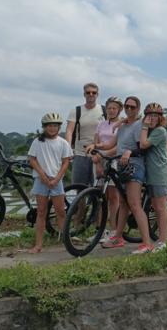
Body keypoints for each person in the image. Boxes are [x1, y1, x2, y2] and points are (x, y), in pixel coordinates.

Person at [99, 96, 153, 254]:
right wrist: (95, 147)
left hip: (134, 165)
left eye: (132, 107)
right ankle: (118, 237)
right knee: (123, 203)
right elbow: (111, 145)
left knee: (135, 204)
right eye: (127, 107)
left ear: (138, 109)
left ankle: (147, 244)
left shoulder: (139, 125)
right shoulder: (123, 125)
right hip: (121, 165)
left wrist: (130, 152)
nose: (129, 109)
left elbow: (142, 148)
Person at [27, 113, 72, 253]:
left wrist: (57, 178)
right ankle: (38, 245)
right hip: (41, 180)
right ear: (44, 127)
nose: (52, 128)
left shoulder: (63, 142)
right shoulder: (37, 142)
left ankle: (66, 241)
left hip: (56, 181)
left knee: (60, 211)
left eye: (55, 126)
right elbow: (32, 159)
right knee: (41, 212)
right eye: (49, 126)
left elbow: (66, 162)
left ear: (59, 127)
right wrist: (43, 176)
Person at [85, 96, 123, 243]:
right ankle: (100, 230)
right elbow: (96, 143)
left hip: (114, 161)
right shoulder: (100, 124)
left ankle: (114, 230)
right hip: (99, 160)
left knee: (114, 198)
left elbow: (118, 145)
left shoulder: (121, 125)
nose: (111, 111)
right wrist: (98, 161)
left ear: (119, 110)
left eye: (114, 108)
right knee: (101, 197)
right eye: (109, 108)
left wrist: (103, 156)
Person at [139, 103, 167, 251]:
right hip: (151, 174)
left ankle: (163, 240)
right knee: (155, 206)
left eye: (155, 116)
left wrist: (144, 127)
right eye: (149, 115)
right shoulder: (152, 131)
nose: (152, 118)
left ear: (160, 118)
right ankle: (161, 238)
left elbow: (143, 145)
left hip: (159, 172)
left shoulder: (160, 131)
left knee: (160, 207)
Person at [65, 83, 105, 187]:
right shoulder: (76, 111)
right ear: (84, 94)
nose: (91, 94)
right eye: (88, 92)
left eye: (94, 92)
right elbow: (69, 131)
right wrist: (68, 149)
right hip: (80, 154)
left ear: (97, 94)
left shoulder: (104, 110)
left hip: (99, 154)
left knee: (99, 189)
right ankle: (80, 204)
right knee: (79, 187)